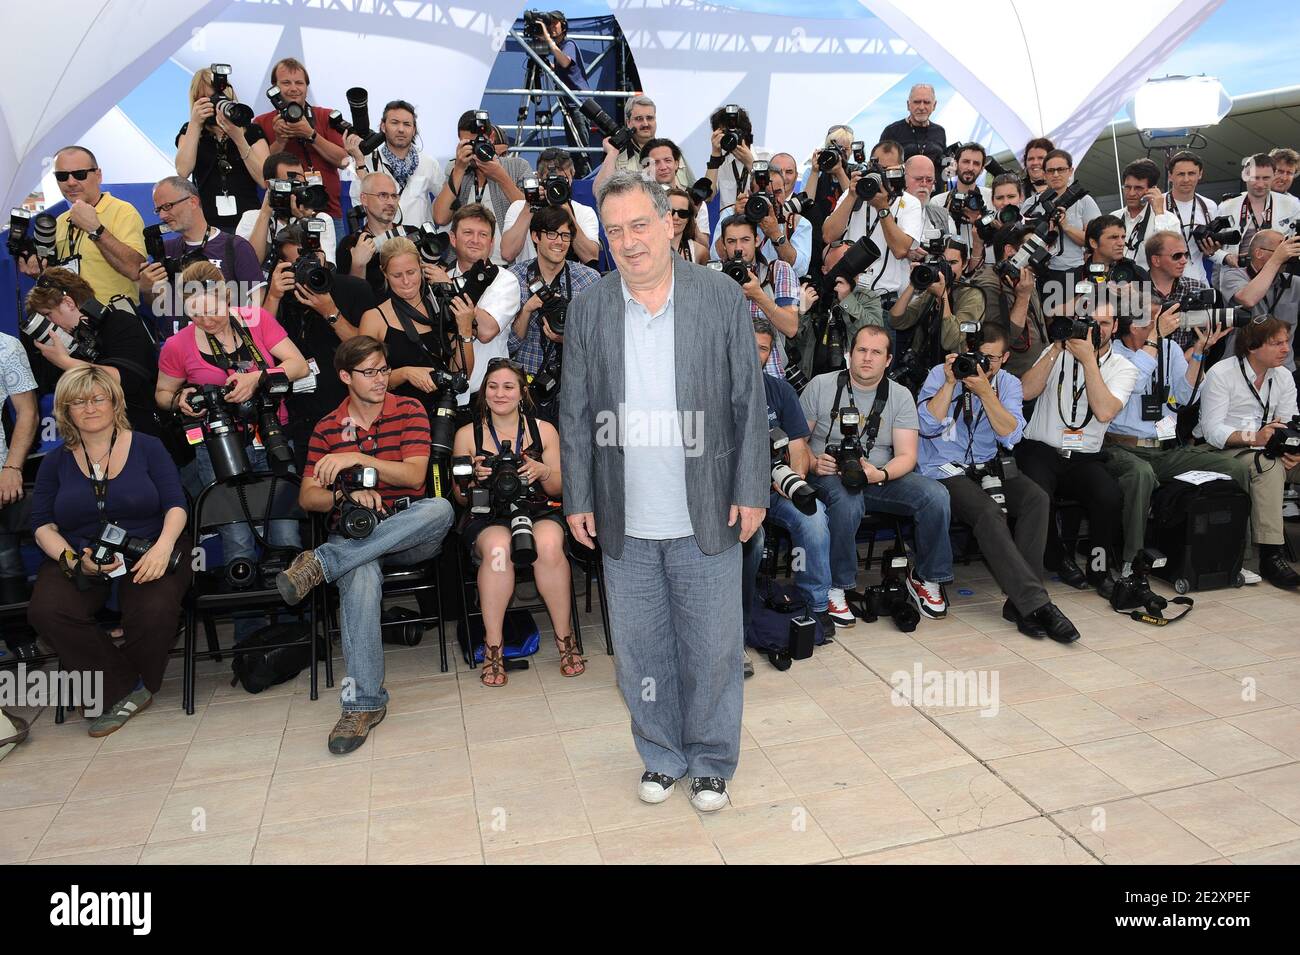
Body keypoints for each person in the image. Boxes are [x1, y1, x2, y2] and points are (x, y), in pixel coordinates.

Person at [559, 172, 768, 812]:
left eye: (639, 225)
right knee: (642, 652)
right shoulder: (589, 307)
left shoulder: (720, 297)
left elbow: (747, 403)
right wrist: (579, 497)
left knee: (712, 648)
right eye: (614, 230)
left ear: (669, 224)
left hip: (706, 506)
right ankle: (660, 754)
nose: (628, 241)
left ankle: (709, 761)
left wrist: (751, 488)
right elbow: (574, 411)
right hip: (625, 513)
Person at [275, 335, 455, 753]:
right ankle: (363, 704)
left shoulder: (409, 409)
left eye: (383, 369)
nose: (380, 379)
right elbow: (307, 497)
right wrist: (343, 496)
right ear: (344, 377)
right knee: (359, 572)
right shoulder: (326, 427)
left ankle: (322, 563)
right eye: (369, 372)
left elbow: (413, 476)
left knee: (441, 508)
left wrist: (359, 460)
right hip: (356, 536)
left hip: (410, 530)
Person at [27, 367, 191, 737]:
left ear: (114, 401)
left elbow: (176, 504)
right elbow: (41, 525)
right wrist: (73, 561)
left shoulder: (148, 446)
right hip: (79, 552)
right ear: (65, 411)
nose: (89, 408)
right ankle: (125, 687)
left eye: (97, 398)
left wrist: (163, 549)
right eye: (78, 402)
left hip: (149, 545)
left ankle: (109, 688)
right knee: (47, 608)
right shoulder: (54, 462)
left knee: (155, 608)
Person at [154, 262, 309, 640]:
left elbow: (299, 365)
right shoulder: (178, 345)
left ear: (228, 296)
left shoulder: (256, 320)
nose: (206, 319)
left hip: (271, 436)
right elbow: (161, 394)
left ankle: (296, 633)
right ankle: (250, 637)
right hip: (217, 445)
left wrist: (258, 378)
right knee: (237, 539)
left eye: (212, 310)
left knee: (285, 533)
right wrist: (181, 400)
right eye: (195, 314)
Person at [917, 325, 1078, 641]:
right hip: (945, 470)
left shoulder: (1009, 385)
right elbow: (924, 425)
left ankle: (1021, 604)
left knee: (1036, 498)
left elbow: (1011, 436)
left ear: (1005, 358)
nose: (981, 364)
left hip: (990, 467)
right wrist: (951, 384)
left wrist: (987, 394)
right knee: (988, 513)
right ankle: (1035, 604)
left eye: (991, 359)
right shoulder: (942, 373)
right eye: (978, 355)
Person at [802, 324, 954, 622]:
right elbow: (797, 443)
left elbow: (908, 456)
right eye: (861, 350)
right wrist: (812, 462)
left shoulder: (900, 396)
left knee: (936, 495)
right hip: (829, 475)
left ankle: (925, 577)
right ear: (849, 355)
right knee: (847, 501)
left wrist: (879, 474)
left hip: (878, 476)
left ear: (888, 360)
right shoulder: (820, 385)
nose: (867, 358)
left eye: (876, 352)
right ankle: (837, 586)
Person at [1102, 295, 1246, 588]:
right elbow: (1134, 384)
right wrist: (1155, 340)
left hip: (1165, 447)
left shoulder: (1169, 348)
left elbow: (1184, 397)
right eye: (1152, 318)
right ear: (1129, 326)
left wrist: (1199, 354)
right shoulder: (1111, 354)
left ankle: (1234, 556)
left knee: (1235, 469)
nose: (1161, 323)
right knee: (1141, 475)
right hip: (1120, 446)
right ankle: (1133, 561)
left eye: (1161, 316)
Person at [452, 357, 579, 685]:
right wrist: (475, 479)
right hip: (489, 515)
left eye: (508, 387)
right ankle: (493, 646)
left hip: (536, 507)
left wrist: (543, 471)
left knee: (549, 544)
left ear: (522, 392)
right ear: (484, 393)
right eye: (492, 387)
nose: (500, 393)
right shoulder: (468, 434)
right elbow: (460, 498)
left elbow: (560, 489)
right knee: (497, 548)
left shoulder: (544, 430)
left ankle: (566, 640)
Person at [1016, 300, 1138, 594]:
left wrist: (1088, 361)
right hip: (1040, 449)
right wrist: (1057, 348)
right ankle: (1057, 559)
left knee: (1108, 496)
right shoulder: (1057, 351)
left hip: (1084, 457)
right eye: (1090, 322)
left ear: (1115, 327)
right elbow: (1025, 392)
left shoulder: (1124, 368)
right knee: (1038, 495)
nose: (1095, 329)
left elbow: (1105, 411)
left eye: (1104, 323)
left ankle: (1098, 569)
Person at [741, 318, 835, 632]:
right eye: (749, 344)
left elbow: (798, 447)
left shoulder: (780, 390)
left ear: (770, 354)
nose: (755, 353)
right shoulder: (714, 388)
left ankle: (816, 603)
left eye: (763, 348)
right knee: (754, 541)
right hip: (735, 494)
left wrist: (791, 480)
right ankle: (742, 611)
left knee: (813, 515)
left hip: (776, 487)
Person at [1195, 316, 1300, 588]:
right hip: (1224, 449)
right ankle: (1271, 555)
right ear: (1253, 347)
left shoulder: (1284, 375)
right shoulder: (1222, 373)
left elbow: (1289, 422)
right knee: (1268, 465)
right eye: (1277, 343)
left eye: (1286, 342)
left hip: (1270, 447)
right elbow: (1212, 431)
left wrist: (1293, 449)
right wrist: (1255, 437)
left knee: (1275, 460)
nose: (1286, 349)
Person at [260, 220, 372, 473]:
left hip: (349, 407)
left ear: (322, 254)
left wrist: (330, 312)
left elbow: (367, 350)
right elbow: (260, 345)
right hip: (301, 413)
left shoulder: (354, 289)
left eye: (310, 259)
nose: (305, 268)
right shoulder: (279, 295)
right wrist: (274, 296)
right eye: (295, 264)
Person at [23, 267, 161, 438]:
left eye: (47, 315)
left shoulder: (119, 322)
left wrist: (66, 362)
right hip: (94, 443)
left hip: (145, 435)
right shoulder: (62, 345)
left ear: (68, 303)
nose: (47, 324)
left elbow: (127, 379)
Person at [357, 237, 475, 425]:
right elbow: (364, 380)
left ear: (421, 267)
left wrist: (466, 330)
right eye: (397, 275)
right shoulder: (374, 319)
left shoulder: (441, 306)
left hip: (444, 416)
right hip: (398, 421)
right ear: (384, 273)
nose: (406, 281)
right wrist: (405, 373)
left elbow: (462, 373)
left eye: (411, 272)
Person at [17, 147, 146, 304]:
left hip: (115, 321)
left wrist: (95, 229)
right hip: (71, 322)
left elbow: (135, 269)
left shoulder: (123, 211)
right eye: (62, 176)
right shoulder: (60, 221)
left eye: (80, 175)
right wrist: (39, 272)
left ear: (98, 175)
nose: (71, 182)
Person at [821, 140, 921, 315]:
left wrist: (883, 208)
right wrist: (852, 196)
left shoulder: (910, 203)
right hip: (849, 295)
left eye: (887, 170)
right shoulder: (852, 195)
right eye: (877, 168)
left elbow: (900, 250)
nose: (881, 175)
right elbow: (828, 235)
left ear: (900, 170)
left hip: (884, 302)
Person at [139, 176, 264, 313]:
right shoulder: (166, 250)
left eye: (167, 206)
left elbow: (259, 307)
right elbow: (161, 307)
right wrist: (147, 289)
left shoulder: (236, 247)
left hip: (221, 331)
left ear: (193, 202)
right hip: (176, 333)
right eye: (158, 210)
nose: (162, 216)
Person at [506, 205, 600, 380]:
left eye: (565, 235)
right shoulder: (514, 278)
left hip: (574, 379)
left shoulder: (588, 280)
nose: (559, 241)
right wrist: (527, 310)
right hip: (526, 381)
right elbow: (508, 345)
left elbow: (599, 341)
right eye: (551, 234)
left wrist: (567, 339)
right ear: (536, 236)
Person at [252, 57, 349, 225]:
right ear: (274, 88)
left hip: (327, 213)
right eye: (286, 83)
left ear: (306, 87)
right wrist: (280, 140)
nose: (294, 88)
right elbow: (262, 173)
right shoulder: (261, 122)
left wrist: (311, 135)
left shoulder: (325, 116)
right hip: (280, 216)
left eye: (299, 83)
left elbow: (343, 160)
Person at [175, 66, 268, 232]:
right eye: (205, 99)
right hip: (207, 223)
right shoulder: (190, 130)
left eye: (217, 97)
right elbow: (183, 170)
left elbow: (264, 179)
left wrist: (238, 137)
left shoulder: (251, 130)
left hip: (248, 222)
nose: (213, 104)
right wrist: (195, 124)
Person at [432, 111, 529, 263]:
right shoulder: (455, 168)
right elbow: (440, 217)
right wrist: (459, 169)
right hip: (463, 266)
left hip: (508, 266)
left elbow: (529, 211)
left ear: (491, 138)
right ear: (459, 141)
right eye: (468, 143)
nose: (475, 148)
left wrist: (501, 176)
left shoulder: (517, 166)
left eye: (479, 141)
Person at [889, 238, 985, 387]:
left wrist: (943, 296)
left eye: (953, 263)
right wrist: (913, 283)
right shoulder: (930, 292)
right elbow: (897, 321)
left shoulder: (972, 295)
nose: (946, 268)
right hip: (923, 372)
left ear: (964, 264)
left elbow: (950, 340)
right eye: (943, 262)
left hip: (955, 374)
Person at [716, 214, 798, 377]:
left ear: (757, 240)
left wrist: (757, 295)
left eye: (745, 240)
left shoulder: (779, 270)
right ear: (724, 245)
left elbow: (791, 328)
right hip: (725, 375)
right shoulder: (714, 276)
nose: (738, 248)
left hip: (769, 374)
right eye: (731, 241)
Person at [345, 99, 444, 229]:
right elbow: (358, 202)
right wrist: (359, 161)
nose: (401, 129)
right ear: (383, 126)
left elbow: (445, 203)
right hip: (382, 243)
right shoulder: (367, 161)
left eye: (407, 124)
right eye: (395, 123)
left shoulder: (428, 163)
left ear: (414, 130)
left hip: (419, 244)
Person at [236, 152, 338, 270]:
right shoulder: (251, 218)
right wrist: (265, 214)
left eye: (299, 184)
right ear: (269, 186)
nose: (295, 191)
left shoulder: (320, 220)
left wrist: (305, 222)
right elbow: (248, 268)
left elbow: (322, 271)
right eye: (288, 185)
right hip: (264, 287)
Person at [969, 224, 1048, 378]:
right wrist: (1023, 296)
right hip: (1015, 379)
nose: (1042, 253)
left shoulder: (1024, 275)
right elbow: (1003, 337)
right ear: (1010, 251)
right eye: (1034, 247)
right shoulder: (989, 285)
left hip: (1037, 372)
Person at [500, 147, 601, 265]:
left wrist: (567, 211)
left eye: (562, 180)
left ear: (572, 175)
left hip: (572, 280)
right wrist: (529, 207)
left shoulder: (584, 212)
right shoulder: (519, 208)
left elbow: (591, 258)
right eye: (550, 180)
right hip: (527, 278)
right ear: (538, 178)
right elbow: (507, 254)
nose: (556, 186)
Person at [1217, 229, 1300, 372]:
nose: (1286, 254)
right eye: (1280, 249)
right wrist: (1277, 259)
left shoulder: (1294, 283)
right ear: (1259, 253)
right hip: (1240, 368)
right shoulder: (1233, 276)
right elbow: (1248, 299)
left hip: (1282, 369)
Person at [1026, 148, 1100, 307]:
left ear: (1070, 171)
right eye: (1051, 170)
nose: (1056, 174)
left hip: (1074, 272)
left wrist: (1066, 227)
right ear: (1044, 174)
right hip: (1040, 272)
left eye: (1061, 170)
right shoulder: (1031, 204)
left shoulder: (1085, 201)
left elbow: (1094, 241)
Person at [0, 333, 38, 610]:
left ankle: (21, 643)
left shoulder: (6, 347)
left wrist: (12, 467)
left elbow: (28, 412)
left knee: (6, 560)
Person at [592, 94, 689, 191]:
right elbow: (599, 192)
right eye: (639, 119)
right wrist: (612, 153)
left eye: (650, 118)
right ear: (628, 122)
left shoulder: (673, 153)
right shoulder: (617, 157)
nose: (645, 123)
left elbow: (695, 191)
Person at [1218, 154, 1300, 266]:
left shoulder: (1293, 205)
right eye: (1256, 177)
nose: (1284, 178)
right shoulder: (1228, 205)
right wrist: (1225, 257)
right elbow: (1212, 246)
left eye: (1289, 173)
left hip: (1277, 271)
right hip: (1236, 270)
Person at [336, 171, 404, 296]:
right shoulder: (350, 244)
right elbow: (349, 301)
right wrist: (358, 265)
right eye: (383, 195)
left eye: (394, 196)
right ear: (364, 199)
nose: (390, 202)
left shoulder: (411, 234)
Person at [1164, 150, 1225, 284]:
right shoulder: (1157, 205)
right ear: (1170, 176)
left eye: (1191, 173)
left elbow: (1212, 249)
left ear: (1200, 174)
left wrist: (1217, 252)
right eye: (1181, 174)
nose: (1186, 179)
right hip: (1165, 282)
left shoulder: (1209, 206)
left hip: (1199, 280)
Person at [1111, 158, 1179, 271]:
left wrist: (1159, 214)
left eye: (1138, 188)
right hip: (1117, 283)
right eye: (1127, 187)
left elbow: (1169, 254)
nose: (1131, 193)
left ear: (1152, 190)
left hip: (1149, 284)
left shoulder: (1169, 220)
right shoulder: (1113, 217)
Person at [932, 142, 992, 267]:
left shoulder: (991, 198)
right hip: (948, 268)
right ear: (956, 164)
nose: (970, 168)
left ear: (982, 169)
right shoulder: (938, 201)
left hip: (984, 266)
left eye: (976, 163)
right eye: (966, 161)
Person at [642, 138, 711, 239]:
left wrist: (690, 216)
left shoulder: (694, 201)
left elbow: (704, 246)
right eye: (655, 163)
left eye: (668, 160)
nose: (663, 167)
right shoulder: (641, 203)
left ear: (676, 164)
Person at [880, 84, 946, 169]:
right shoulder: (892, 131)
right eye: (917, 102)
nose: (922, 107)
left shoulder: (940, 131)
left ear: (934, 105)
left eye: (926, 102)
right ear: (908, 105)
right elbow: (881, 166)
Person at [667, 187, 708, 264]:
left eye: (683, 213)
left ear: (689, 218)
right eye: (671, 211)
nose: (676, 217)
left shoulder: (699, 252)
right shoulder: (647, 247)